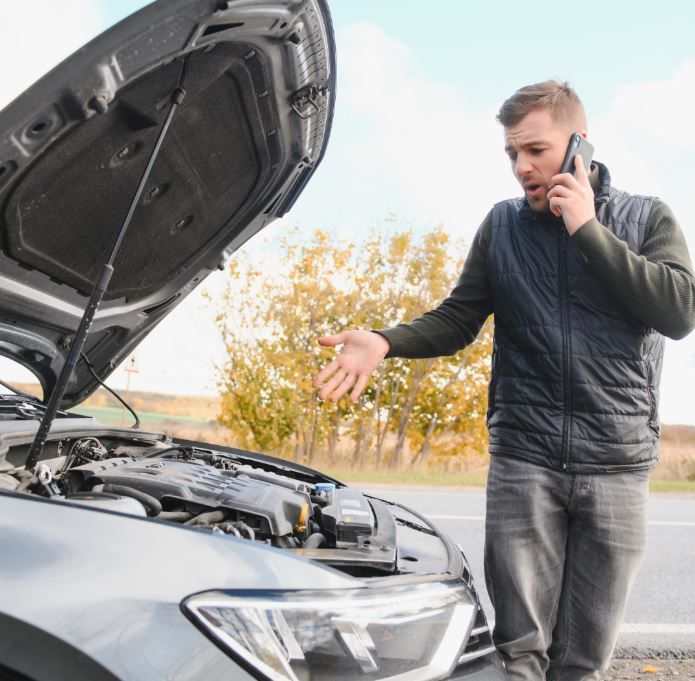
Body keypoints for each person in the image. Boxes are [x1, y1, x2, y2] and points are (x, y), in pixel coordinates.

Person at [311, 80, 695, 680]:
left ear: (580, 148)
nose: (522, 167)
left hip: (616, 463)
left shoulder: (647, 217)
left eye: (536, 150)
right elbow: (459, 318)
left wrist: (588, 229)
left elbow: (678, 313)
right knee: (519, 655)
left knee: (583, 662)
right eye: (512, 154)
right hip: (526, 461)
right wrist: (386, 341)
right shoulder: (503, 227)